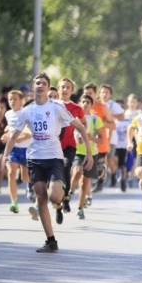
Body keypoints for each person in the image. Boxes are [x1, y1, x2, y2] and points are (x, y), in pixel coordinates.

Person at [1, 72, 94, 253]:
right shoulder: (28, 110)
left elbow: (81, 127)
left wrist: (89, 154)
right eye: (38, 83)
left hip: (53, 157)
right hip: (35, 158)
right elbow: (14, 135)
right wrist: (5, 156)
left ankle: (59, 204)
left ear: (48, 86)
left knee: (54, 196)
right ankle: (51, 241)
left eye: (44, 83)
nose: (41, 85)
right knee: (41, 198)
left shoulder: (56, 108)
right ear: (34, 86)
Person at [56, 77, 86, 223]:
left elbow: (82, 125)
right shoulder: (52, 105)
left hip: (69, 145)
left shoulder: (76, 108)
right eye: (62, 87)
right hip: (53, 146)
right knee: (54, 176)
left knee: (67, 167)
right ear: (58, 88)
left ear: (72, 90)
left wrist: (79, 134)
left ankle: (66, 198)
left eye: (68, 87)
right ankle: (58, 206)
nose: (65, 89)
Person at [70, 94, 104, 219]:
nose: (85, 104)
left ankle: (80, 208)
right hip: (77, 152)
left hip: (92, 154)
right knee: (77, 172)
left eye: (88, 102)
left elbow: (101, 141)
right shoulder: (74, 118)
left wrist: (91, 138)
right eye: (83, 101)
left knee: (85, 182)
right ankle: (70, 192)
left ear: (91, 105)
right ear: (79, 103)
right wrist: (77, 139)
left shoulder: (96, 120)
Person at [2, 90, 32, 214]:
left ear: (21, 100)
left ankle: (30, 187)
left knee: (25, 177)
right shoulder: (8, 114)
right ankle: (14, 202)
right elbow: (11, 127)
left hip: (26, 148)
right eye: (10, 99)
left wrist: (20, 138)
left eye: (15, 99)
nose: (12, 101)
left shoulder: (26, 113)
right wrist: (6, 134)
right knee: (11, 173)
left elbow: (31, 132)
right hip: (13, 149)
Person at [85, 83, 115, 196]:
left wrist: (99, 122)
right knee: (87, 167)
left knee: (99, 167)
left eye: (90, 93)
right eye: (86, 93)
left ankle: (99, 182)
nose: (88, 95)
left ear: (95, 94)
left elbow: (113, 126)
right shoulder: (80, 106)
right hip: (85, 144)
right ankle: (87, 192)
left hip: (100, 142)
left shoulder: (102, 107)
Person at [99, 84, 125, 188]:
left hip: (111, 136)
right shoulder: (96, 104)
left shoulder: (113, 105)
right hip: (98, 135)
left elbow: (122, 117)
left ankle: (114, 173)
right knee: (100, 159)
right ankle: (99, 181)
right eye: (102, 92)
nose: (104, 94)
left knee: (109, 159)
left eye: (107, 93)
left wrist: (109, 114)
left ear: (110, 95)